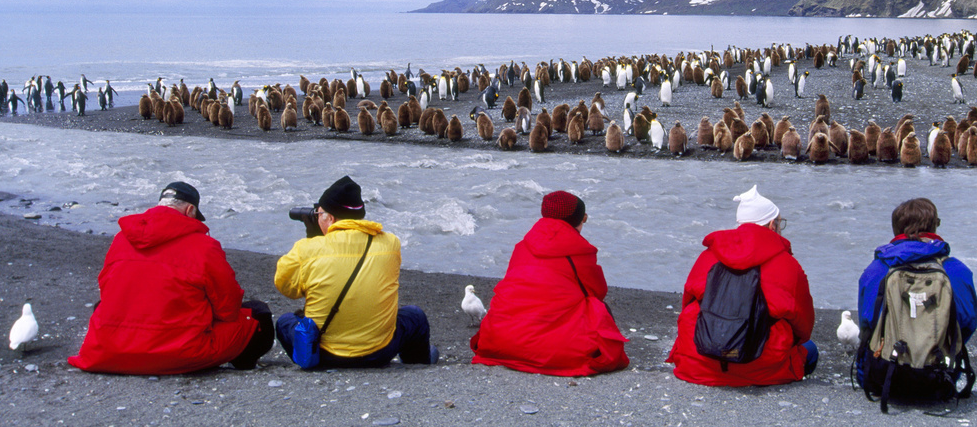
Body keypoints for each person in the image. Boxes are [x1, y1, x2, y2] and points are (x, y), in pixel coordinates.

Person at [69, 182, 273, 374]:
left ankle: (121, 353)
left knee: (104, 305)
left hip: (111, 351)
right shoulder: (203, 246)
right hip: (179, 352)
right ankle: (243, 362)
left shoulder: (121, 239)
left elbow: (107, 289)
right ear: (190, 211)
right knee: (258, 312)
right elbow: (228, 309)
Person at [274, 176, 438, 367]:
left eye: (319, 214)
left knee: (285, 321)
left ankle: (310, 359)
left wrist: (313, 238)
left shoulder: (307, 249)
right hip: (380, 352)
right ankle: (418, 363)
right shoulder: (391, 243)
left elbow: (285, 287)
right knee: (414, 316)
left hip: (323, 353)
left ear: (331, 218)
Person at [667, 185, 817, 386]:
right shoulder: (787, 264)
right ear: (772, 225)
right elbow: (803, 326)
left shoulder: (709, 255)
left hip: (700, 362)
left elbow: (687, 302)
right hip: (760, 367)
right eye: (781, 223)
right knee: (810, 349)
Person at [470, 190, 629, 375]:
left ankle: (515, 350)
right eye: (584, 218)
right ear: (579, 219)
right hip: (549, 349)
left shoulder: (523, 245)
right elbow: (597, 291)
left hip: (501, 339)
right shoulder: (578, 250)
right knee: (597, 306)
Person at [856, 197, 977, 384]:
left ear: (896, 229)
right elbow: (967, 321)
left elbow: (867, 322)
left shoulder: (877, 269)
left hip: (884, 377)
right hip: (940, 376)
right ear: (934, 228)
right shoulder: (956, 270)